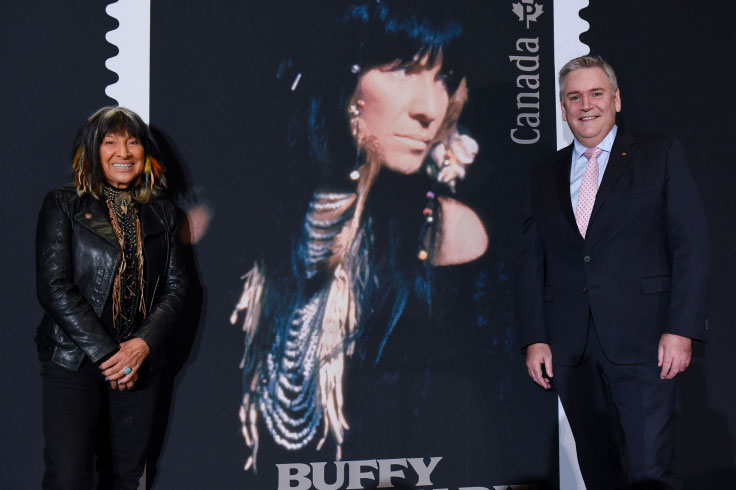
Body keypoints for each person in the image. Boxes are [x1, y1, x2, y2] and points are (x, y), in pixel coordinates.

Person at [229, 0, 487, 470]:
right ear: (341, 73)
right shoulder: (243, 222)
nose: (431, 109)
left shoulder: (448, 231)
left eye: (444, 78)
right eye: (406, 69)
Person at [517, 55, 709, 489]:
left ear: (616, 99)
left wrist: (681, 329)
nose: (586, 105)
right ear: (564, 108)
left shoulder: (660, 154)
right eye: (574, 97)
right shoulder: (542, 173)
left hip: (647, 344)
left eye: (596, 93)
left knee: (650, 473)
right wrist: (535, 338)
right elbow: (530, 261)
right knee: (599, 473)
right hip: (572, 351)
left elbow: (690, 246)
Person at [35, 106, 188, 489]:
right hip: (73, 361)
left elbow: (177, 288)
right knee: (68, 478)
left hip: (140, 366)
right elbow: (54, 286)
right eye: (110, 142)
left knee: (126, 478)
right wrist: (109, 356)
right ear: (92, 151)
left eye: (132, 141)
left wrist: (139, 347)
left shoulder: (164, 214)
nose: (123, 152)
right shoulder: (63, 205)